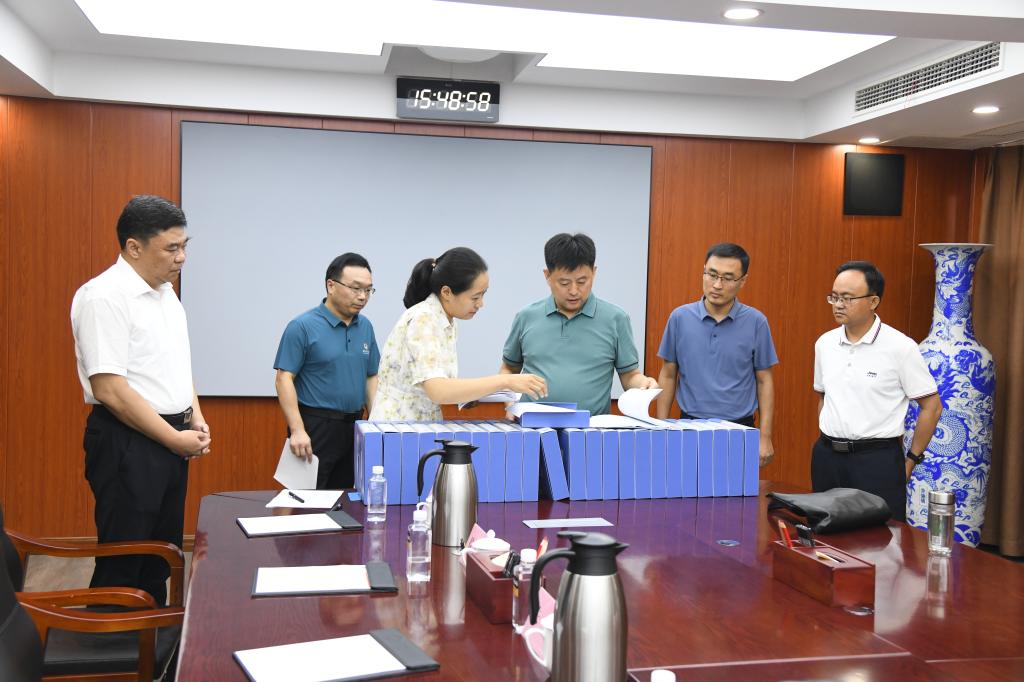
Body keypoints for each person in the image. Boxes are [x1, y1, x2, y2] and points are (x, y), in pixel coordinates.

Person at [70, 195, 211, 605]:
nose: (182, 257)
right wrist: (173, 437)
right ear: (134, 247)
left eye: (184, 246)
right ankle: (112, 640)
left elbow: (177, 365)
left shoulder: (167, 294)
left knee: (159, 556)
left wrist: (195, 417)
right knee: (124, 560)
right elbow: (110, 389)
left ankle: (153, 638)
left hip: (170, 439)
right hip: (128, 441)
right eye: (171, 248)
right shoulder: (104, 296)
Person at [812, 261, 942, 522]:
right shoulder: (825, 343)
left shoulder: (900, 347)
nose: (838, 304)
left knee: (881, 539)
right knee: (825, 534)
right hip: (827, 457)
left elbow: (932, 406)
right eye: (834, 297)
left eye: (847, 298)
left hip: (876, 460)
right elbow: (823, 397)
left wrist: (911, 460)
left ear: (873, 301)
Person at [370, 247, 547, 422]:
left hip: (420, 426)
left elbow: (439, 386)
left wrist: (473, 394)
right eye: (475, 297)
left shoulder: (445, 320)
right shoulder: (424, 319)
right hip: (397, 427)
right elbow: (438, 391)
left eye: (483, 295)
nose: (481, 304)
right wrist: (505, 381)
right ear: (446, 292)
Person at [500, 233, 658, 416]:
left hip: (592, 429)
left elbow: (630, 375)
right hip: (532, 426)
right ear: (547, 276)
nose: (574, 291)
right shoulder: (526, 317)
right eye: (564, 283)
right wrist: (510, 404)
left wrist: (644, 384)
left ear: (594, 272)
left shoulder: (616, 319)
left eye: (582, 281)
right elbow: (508, 369)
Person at [655, 243, 778, 465]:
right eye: (712, 275)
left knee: (738, 488)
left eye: (728, 278)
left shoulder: (756, 322)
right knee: (686, 486)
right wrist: (661, 427)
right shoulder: (680, 318)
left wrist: (765, 436)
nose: (717, 285)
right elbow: (668, 374)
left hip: (739, 429)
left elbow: (764, 380)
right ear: (703, 271)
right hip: (689, 428)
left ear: (743, 281)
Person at [274, 253, 380, 489]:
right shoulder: (302, 326)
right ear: (331, 286)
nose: (362, 296)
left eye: (368, 290)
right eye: (356, 288)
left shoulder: (366, 327)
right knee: (304, 500)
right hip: (315, 427)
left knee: (348, 499)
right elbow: (283, 379)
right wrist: (297, 430)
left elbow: (371, 376)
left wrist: (374, 423)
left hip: (356, 427)